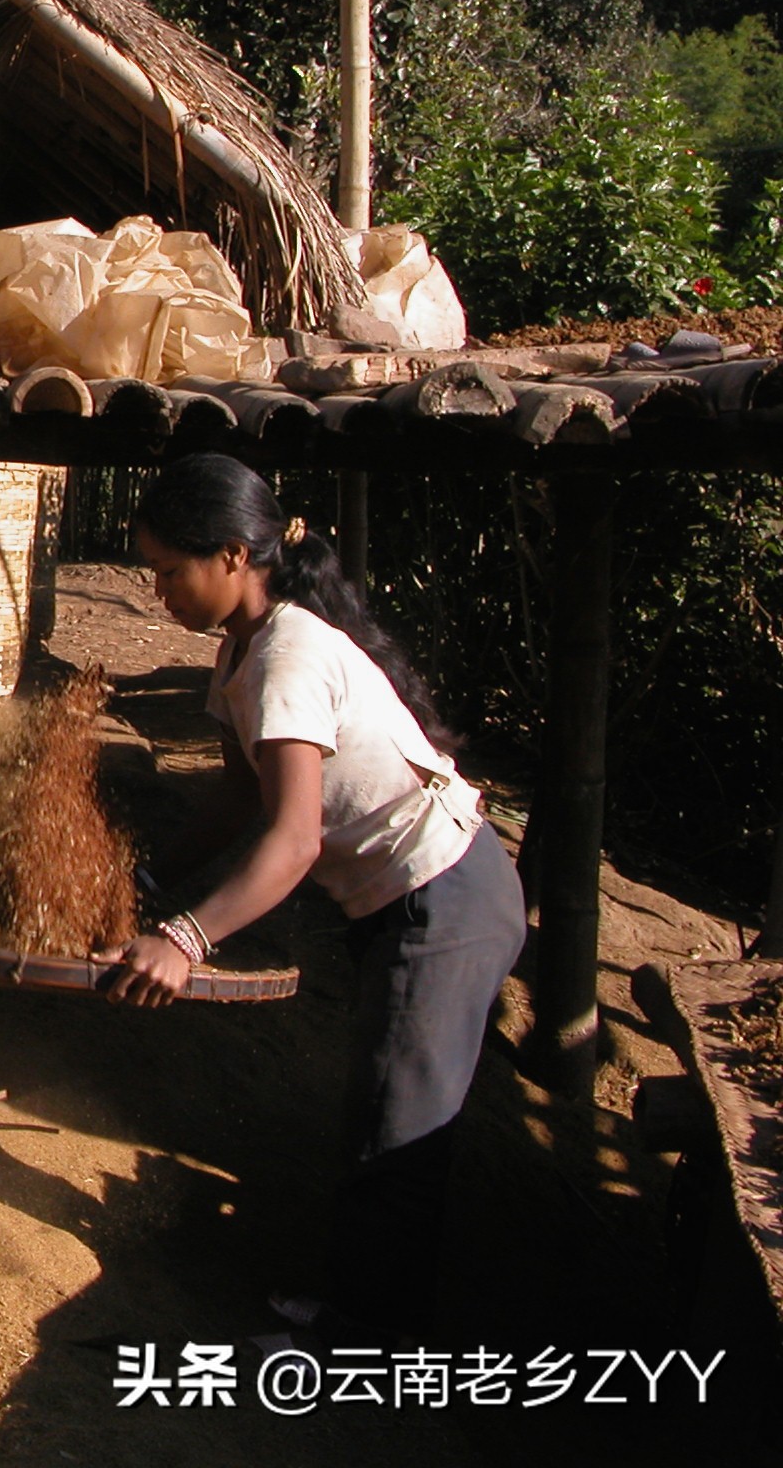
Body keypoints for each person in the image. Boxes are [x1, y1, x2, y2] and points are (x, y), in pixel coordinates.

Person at [98, 453, 525, 1338]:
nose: (158, 592)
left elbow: (292, 840)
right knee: (385, 1103)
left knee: (397, 1125)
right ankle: (365, 1311)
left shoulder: (287, 658)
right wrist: (145, 878)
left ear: (231, 556)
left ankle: (364, 1340)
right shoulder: (240, 651)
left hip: (446, 898)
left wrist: (184, 939)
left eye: (169, 571)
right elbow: (238, 797)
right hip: (414, 898)